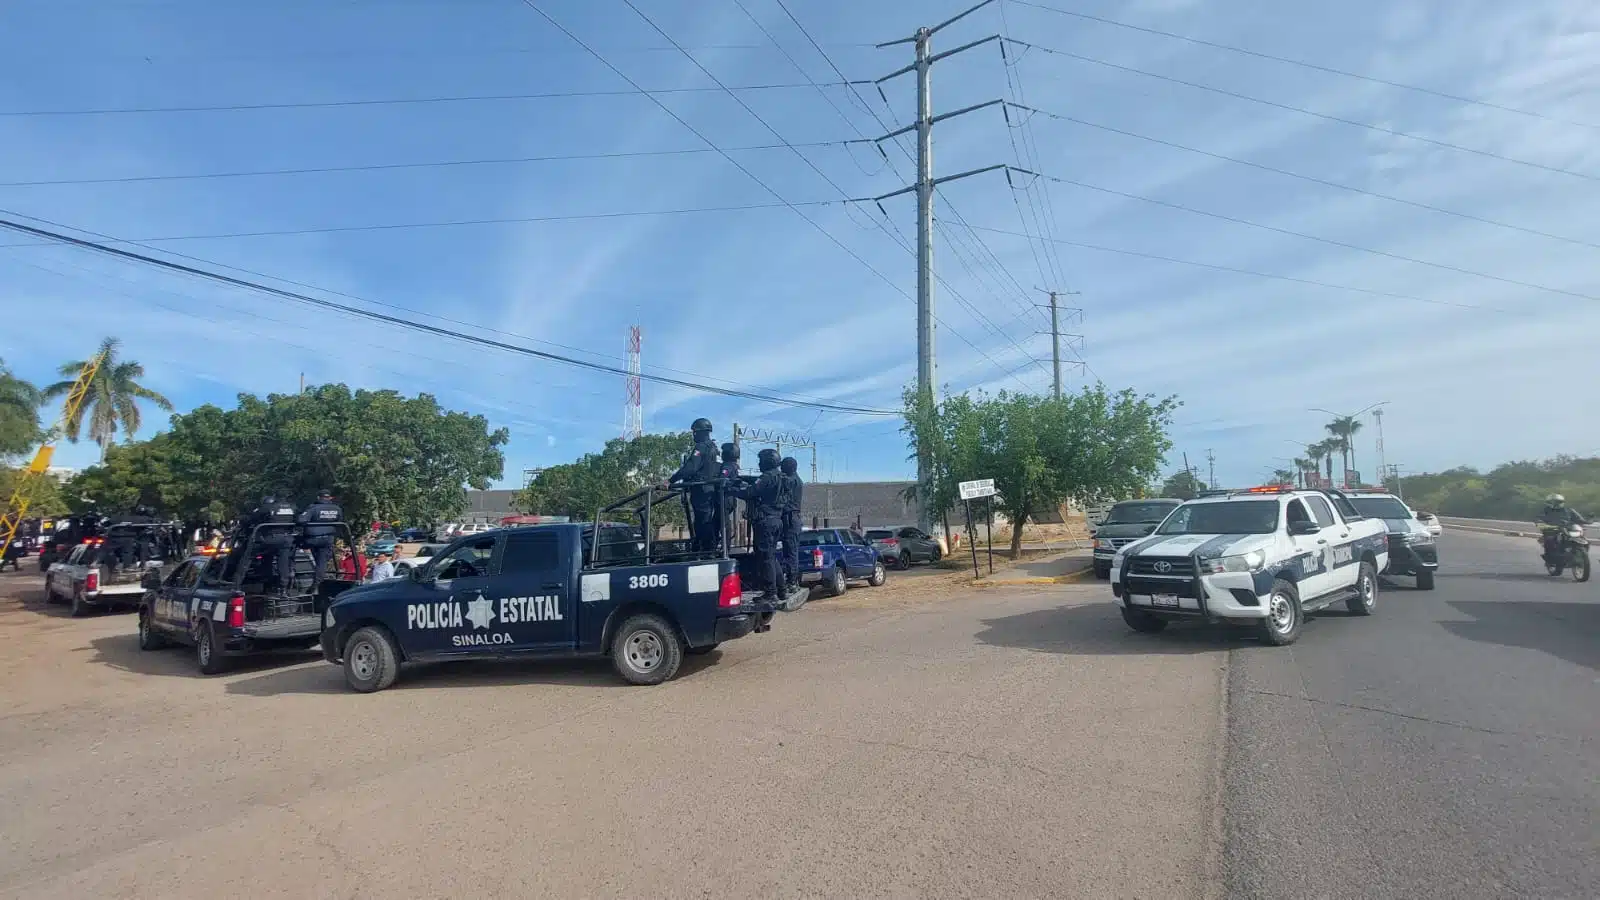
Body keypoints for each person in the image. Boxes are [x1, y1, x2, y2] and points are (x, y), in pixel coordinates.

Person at [740, 448, 788, 607]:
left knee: (765, 558)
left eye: (761, 461)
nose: (759, 464)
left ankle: (770, 593)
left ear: (768, 462)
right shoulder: (780, 476)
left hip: (765, 522)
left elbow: (750, 492)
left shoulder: (767, 477)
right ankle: (781, 589)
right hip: (776, 520)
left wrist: (730, 489)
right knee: (771, 557)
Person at [664, 418, 720, 552]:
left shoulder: (701, 447)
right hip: (709, 490)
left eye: (694, 432)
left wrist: (671, 480)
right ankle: (704, 548)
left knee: (702, 522)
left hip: (701, 490)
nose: (693, 435)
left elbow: (691, 467)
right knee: (703, 521)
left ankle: (705, 550)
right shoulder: (713, 448)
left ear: (699, 432)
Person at [240, 495, 298, 592]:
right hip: (286, 540)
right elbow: (299, 519)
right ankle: (283, 586)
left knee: (248, 556)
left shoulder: (266, 509)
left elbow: (250, 519)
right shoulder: (291, 508)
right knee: (282, 562)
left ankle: (238, 583)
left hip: (268, 540)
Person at [297, 489, 343, 583]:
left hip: (312, 539)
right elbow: (339, 522)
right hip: (328, 539)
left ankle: (291, 573)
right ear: (329, 498)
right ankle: (317, 583)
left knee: (292, 546)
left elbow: (301, 520)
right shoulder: (337, 509)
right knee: (322, 561)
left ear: (318, 497)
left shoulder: (313, 508)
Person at [778, 456, 804, 592]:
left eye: (782, 466)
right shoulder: (794, 479)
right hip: (791, 518)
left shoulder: (792, 480)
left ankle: (792, 582)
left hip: (791, 518)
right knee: (789, 552)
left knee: (791, 552)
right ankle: (790, 580)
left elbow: (780, 481)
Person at [715, 442, 741, 550]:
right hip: (730, 499)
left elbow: (723, 479)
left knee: (723, 522)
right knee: (719, 521)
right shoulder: (734, 465)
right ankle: (724, 545)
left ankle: (726, 547)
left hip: (725, 498)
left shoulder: (727, 466)